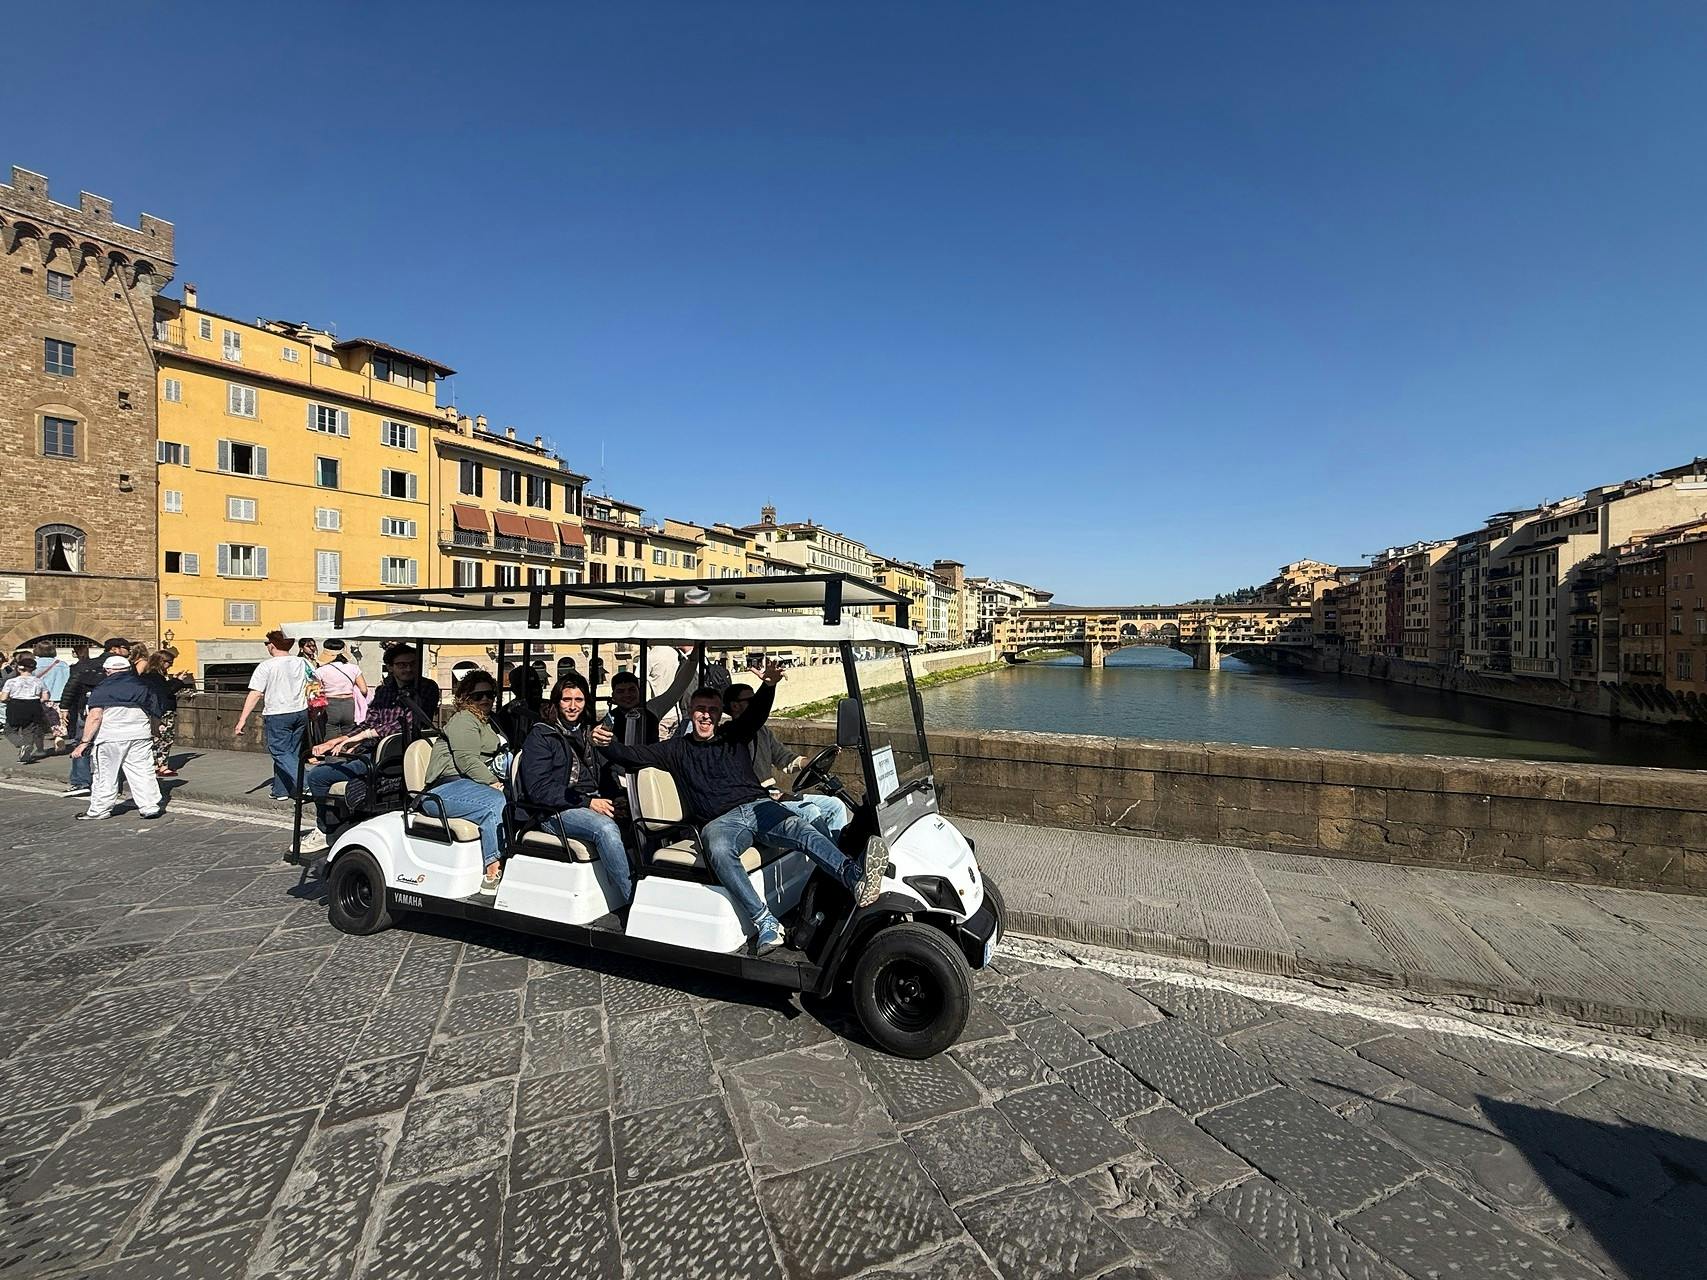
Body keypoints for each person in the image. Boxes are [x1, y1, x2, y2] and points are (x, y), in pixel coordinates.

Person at [599, 663, 888, 954]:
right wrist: (605, 743)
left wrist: (769, 686)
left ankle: (852, 877)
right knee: (719, 849)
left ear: (719, 713)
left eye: (712, 710)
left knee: (803, 828)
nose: (706, 716)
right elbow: (630, 756)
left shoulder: (733, 735)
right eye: (700, 709)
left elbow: (756, 714)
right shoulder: (676, 749)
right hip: (720, 821)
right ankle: (766, 923)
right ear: (690, 711)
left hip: (759, 806)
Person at [301, 644, 439, 853]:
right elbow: (370, 720)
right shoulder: (385, 691)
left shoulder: (426, 688)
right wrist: (339, 740)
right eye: (402, 665)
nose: (408, 669)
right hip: (371, 750)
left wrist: (361, 737)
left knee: (318, 777)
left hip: (397, 755)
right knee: (322, 770)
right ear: (391, 667)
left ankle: (326, 829)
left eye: (412, 664)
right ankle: (334, 825)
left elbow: (408, 723)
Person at [516, 673, 632, 913]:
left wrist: (617, 796)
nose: (572, 706)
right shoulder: (541, 736)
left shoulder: (589, 732)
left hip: (589, 801)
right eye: (566, 699)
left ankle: (647, 882)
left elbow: (606, 772)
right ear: (557, 702)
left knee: (640, 818)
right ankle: (632, 899)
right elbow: (539, 790)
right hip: (554, 811)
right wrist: (589, 803)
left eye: (578, 700)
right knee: (605, 828)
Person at [724, 682, 850, 840]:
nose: (756, 704)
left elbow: (784, 758)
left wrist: (815, 762)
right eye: (751, 701)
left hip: (773, 793)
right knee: (809, 811)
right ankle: (834, 859)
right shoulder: (730, 736)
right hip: (755, 800)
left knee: (835, 805)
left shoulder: (763, 732)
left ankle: (836, 851)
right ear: (734, 706)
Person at [422, 670, 509, 894]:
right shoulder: (464, 720)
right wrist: (493, 782)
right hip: (446, 788)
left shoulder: (488, 722)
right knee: (495, 803)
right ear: (466, 698)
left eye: (490, 694)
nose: (486, 699)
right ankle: (492, 872)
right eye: (478, 696)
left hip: (469, 786)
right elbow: (466, 760)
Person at [71, 655, 164, 820]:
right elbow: (155, 713)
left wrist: (84, 742)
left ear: (107, 671)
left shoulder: (101, 688)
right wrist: (155, 732)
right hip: (139, 735)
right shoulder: (143, 686)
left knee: (105, 774)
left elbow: (95, 716)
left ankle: (99, 810)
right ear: (128, 669)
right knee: (142, 772)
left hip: (110, 737)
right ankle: (149, 806)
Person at [234, 630, 308, 801]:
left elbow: (255, 694)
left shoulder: (267, 666)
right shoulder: (302, 662)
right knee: (291, 753)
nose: (267, 646)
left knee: (280, 752)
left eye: (267, 643)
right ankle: (282, 791)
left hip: (278, 713)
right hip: (300, 711)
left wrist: (242, 720)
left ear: (272, 645)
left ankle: (306, 783)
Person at [60, 639, 123, 798]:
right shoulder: (124, 667)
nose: (128, 650)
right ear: (115, 649)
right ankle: (111, 783)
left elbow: (71, 686)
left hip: (86, 708)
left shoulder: (86, 665)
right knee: (111, 746)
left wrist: (64, 707)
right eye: (125, 648)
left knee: (82, 742)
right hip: (114, 710)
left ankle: (81, 782)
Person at [140, 648, 194, 777]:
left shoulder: (147, 675)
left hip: (152, 710)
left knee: (155, 738)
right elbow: (167, 690)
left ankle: (154, 765)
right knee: (165, 739)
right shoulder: (155, 676)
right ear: (161, 662)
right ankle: (162, 766)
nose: (171, 665)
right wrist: (179, 680)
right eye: (169, 662)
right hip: (163, 710)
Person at [1, 653, 50, 764]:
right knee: (29, 730)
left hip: (15, 705)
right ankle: (26, 755)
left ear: (19, 668)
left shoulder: (11, 682)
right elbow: (45, 697)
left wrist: (8, 699)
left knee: (9, 730)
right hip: (34, 705)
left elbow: (3, 698)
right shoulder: (39, 681)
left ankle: (22, 743)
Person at [315, 640, 368, 737]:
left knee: (330, 738)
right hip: (349, 705)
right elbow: (364, 690)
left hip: (329, 706)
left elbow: (317, 692)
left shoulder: (320, 671)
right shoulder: (354, 668)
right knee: (349, 737)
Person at [496, 664, 545, 748]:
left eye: (537, 683)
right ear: (515, 688)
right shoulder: (506, 713)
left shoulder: (550, 708)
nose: (536, 689)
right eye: (529, 685)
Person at [33, 642, 71, 749]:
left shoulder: (34, 664)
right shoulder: (62, 664)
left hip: (40, 698)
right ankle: (59, 737)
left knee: (39, 722)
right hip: (59, 696)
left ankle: (39, 746)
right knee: (57, 720)